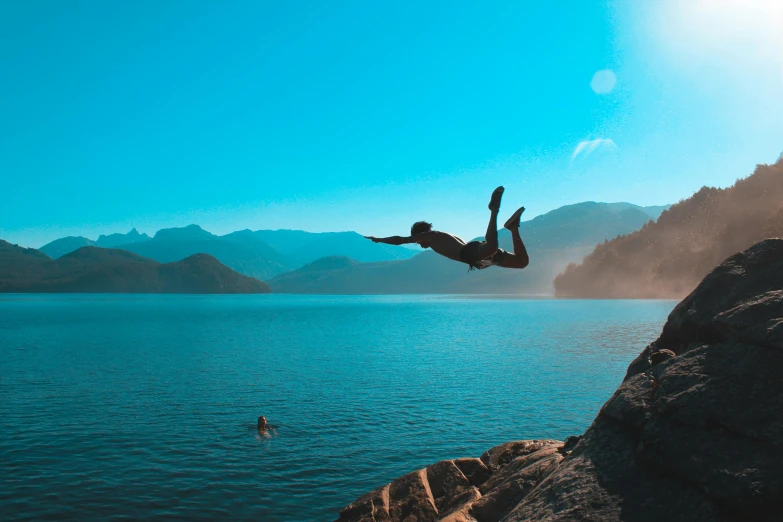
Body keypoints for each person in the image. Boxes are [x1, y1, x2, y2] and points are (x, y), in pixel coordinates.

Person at [365, 186, 529, 271]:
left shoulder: (431, 236)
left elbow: (400, 240)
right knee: (522, 262)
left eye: (418, 240)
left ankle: (493, 210)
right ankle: (513, 228)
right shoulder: (440, 236)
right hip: (477, 258)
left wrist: (379, 239)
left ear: (421, 234)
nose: (419, 244)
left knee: (491, 247)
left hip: (471, 253)